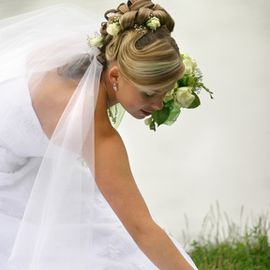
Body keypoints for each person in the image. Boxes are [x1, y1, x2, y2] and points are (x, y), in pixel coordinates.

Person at [0, 1, 198, 269]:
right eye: (150, 94)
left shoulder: (81, 53)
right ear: (115, 75)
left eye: (165, 92)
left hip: (19, 157)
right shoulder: (88, 121)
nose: (159, 105)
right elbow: (141, 228)